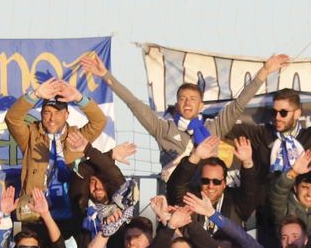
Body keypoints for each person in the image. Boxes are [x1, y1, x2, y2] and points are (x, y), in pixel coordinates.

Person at [79, 50, 286, 175]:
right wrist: (106, 75)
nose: (187, 103)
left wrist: (264, 71)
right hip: (177, 194)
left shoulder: (213, 127)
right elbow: (134, 103)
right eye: (182, 99)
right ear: (177, 104)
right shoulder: (163, 128)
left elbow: (239, 103)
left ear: (201, 106)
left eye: (193, 99)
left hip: (206, 194)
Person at [5, 76, 107, 226]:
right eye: (47, 112)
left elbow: (99, 121)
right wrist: (35, 95)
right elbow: (12, 118)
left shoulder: (77, 137)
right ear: (41, 114)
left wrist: (79, 98)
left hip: (69, 217)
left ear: (67, 114)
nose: (52, 118)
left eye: (58, 112)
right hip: (35, 215)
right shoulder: (30, 135)